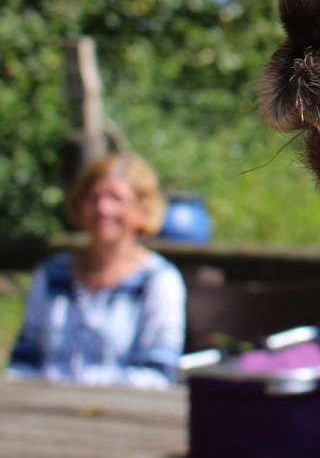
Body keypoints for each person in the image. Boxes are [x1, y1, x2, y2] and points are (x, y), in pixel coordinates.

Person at [5, 153, 187, 388]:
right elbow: (24, 360)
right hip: (41, 413)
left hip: (123, 415)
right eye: (94, 198)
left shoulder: (158, 280)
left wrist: (78, 393)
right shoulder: (51, 272)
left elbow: (156, 375)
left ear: (142, 210)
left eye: (115, 198)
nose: (102, 208)